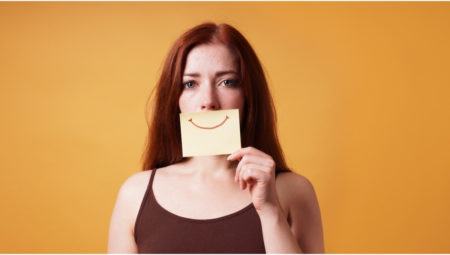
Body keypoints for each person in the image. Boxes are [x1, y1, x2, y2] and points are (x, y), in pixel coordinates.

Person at [108, 22, 324, 253]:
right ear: (174, 99)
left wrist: (271, 211)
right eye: (190, 84)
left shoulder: (295, 191)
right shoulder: (136, 194)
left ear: (248, 95)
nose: (208, 101)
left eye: (227, 82)